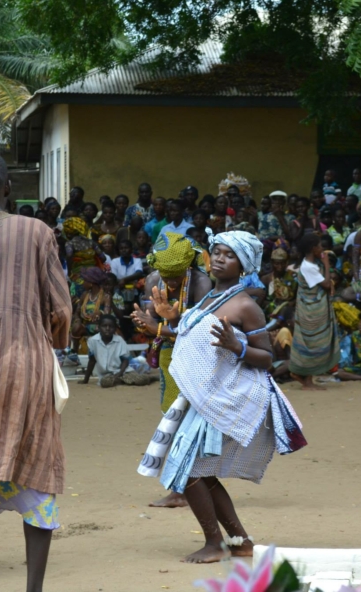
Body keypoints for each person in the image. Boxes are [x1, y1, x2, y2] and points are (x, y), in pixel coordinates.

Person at [137, 230, 307, 563]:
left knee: (190, 469)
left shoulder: (245, 304)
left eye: (229, 255)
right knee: (199, 470)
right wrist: (166, 322)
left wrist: (237, 346)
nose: (219, 258)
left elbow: (267, 358)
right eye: (216, 251)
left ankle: (214, 544)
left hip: (229, 396)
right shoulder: (208, 298)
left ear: (243, 264)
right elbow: (195, 333)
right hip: (205, 395)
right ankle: (240, 541)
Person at [0, 150, 71, 592]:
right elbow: (60, 308)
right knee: (37, 463)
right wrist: (53, 343)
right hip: (23, 361)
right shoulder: (35, 231)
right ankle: (33, 588)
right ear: (7, 188)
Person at [131, 232, 212, 509]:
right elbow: (152, 320)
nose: (171, 281)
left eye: (176, 276)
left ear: (188, 267)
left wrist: (158, 326)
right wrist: (145, 321)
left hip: (199, 359)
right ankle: (184, 488)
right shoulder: (154, 281)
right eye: (167, 275)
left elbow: (200, 330)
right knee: (173, 418)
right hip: (170, 356)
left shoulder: (201, 283)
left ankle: (185, 489)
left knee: (191, 424)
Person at [289, 233, 340, 390]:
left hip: (312, 309)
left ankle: (304, 377)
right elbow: (325, 284)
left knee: (311, 343)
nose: (322, 248)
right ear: (313, 248)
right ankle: (304, 377)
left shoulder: (310, 263)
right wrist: (326, 264)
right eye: (319, 246)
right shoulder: (308, 267)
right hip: (311, 312)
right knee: (312, 344)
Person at [81, 314, 156, 388]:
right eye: (104, 326)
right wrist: (85, 380)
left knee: (141, 380)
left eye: (111, 326)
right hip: (107, 375)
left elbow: (125, 360)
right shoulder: (92, 341)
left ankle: (150, 378)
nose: (107, 328)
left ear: (115, 328)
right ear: (99, 327)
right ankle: (123, 381)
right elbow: (92, 361)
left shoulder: (119, 340)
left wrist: (120, 373)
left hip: (123, 372)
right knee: (105, 382)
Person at [70, 267, 112, 354]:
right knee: (76, 327)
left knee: (98, 329)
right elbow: (77, 312)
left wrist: (100, 313)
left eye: (85, 280)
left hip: (99, 326)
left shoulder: (105, 296)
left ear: (91, 283)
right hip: (86, 325)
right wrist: (77, 319)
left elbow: (107, 315)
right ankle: (74, 352)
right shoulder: (84, 295)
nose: (83, 283)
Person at [63, 216, 106, 298]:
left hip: (79, 275)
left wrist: (69, 272)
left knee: (79, 298)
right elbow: (103, 258)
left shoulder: (70, 243)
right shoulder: (91, 242)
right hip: (94, 275)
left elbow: (69, 255)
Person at [260, 248, 298, 318]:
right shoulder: (266, 279)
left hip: (288, 312)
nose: (280, 267)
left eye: (282, 263)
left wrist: (290, 303)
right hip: (271, 313)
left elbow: (299, 296)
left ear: (287, 262)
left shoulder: (293, 277)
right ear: (272, 263)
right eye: (277, 263)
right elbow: (261, 300)